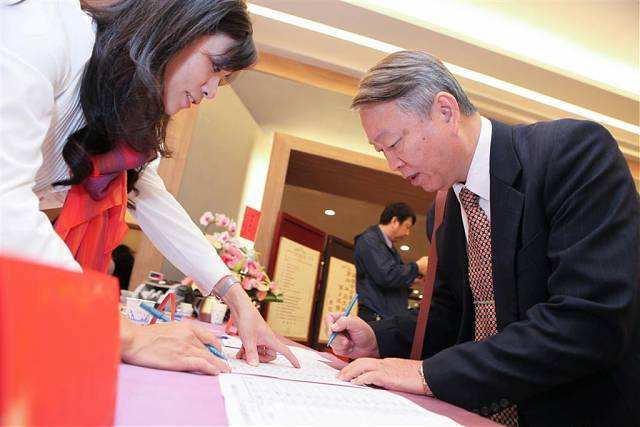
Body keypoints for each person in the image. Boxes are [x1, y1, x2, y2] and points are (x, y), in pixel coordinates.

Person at [326, 50, 639, 426]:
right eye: (382, 152)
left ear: (445, 111)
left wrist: (427, 374)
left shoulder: (571, 154)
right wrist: (379, 338)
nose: (392, 164)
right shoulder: (443, 213)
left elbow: (588, 323)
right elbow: (451, 315)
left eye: (394, 144)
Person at [0, 0, 299, 376]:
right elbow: (5, 204)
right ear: (175, 31)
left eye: (222, 81)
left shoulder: (119, 107)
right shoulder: (44, 32)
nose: (211, 93)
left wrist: (237, 298)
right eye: (214, 68)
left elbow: (156, 203)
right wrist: (124, 333)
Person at [354, 202, 428, 322]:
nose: (407, 233)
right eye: (407, 227)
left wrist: (414, 279)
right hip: (376, 315)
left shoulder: (385, 245)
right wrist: (417, 267)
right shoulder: (369, 240)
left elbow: (389, 275)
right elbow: (386, 275)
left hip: (384, 314)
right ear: (394, 221)